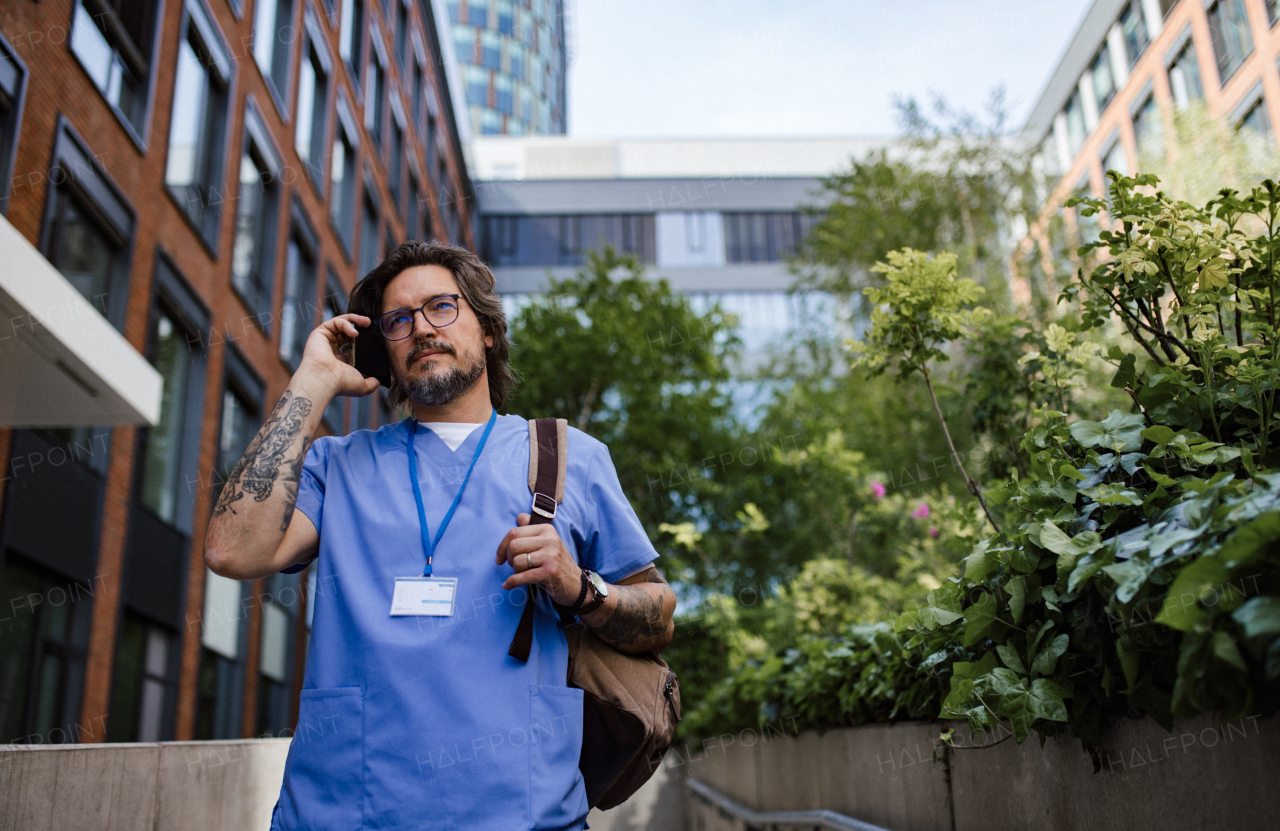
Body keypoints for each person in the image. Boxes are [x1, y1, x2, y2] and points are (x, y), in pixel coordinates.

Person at [203, 241, 677, 831]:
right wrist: (312, 381)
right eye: (398, 321)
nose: (421, 328)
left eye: (442, 307)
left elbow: (659, 613)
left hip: (522, 815)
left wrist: (580, 588)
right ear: (383, 350)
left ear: (488, 332)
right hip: (342, 813)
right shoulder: (337, 464)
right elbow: (230, 549)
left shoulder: (565, 456)